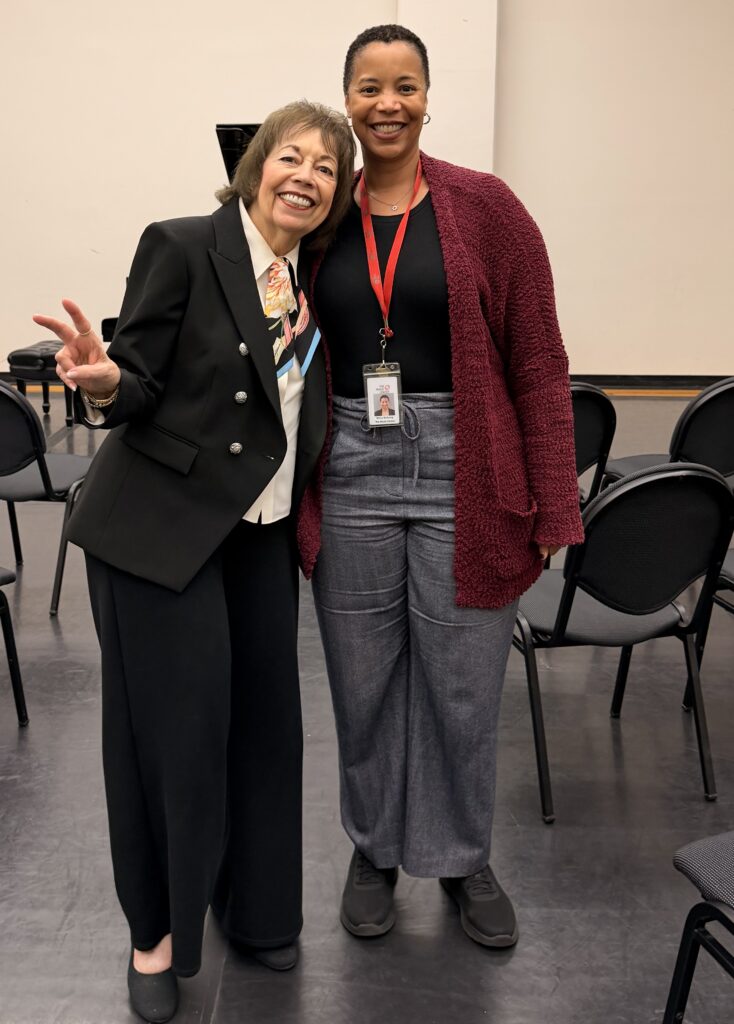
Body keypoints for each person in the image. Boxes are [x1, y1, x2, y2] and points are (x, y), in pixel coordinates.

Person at [33, 101, 354, 1023]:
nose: (306, 176)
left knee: (267, 726)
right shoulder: (182, 245)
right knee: (171, 740)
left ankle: (256, 909)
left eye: (326, 168)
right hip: (162, 532)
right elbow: (136, 378)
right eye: (292, 156)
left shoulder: (308, 276)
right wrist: (104, 383)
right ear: (256, 166)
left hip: (260, 532)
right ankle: (155, 934)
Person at [296, 26, 584, 949]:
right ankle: (375, 850)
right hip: (350, 464)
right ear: (347, 100)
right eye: (369, 86)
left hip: (468, 463)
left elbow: (538, 360)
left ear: (427, 98)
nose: (388, 103)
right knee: (363, 681)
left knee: (463, 685)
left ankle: (462, 857)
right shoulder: (318, 214)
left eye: (405, 85)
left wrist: (554, 501)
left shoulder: (487, 207)